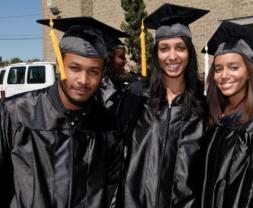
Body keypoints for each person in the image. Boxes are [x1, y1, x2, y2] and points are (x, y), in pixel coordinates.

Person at [0, 17, 124, 208]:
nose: (83, 80)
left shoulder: (109, 128)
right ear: (59, 64)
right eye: (74, 68)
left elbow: (108, 191)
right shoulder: (16, 114)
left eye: (93, 71)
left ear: (103, 73)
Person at [115, 3, 209, 208]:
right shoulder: (137, 98)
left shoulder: (202, 107)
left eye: (180, 48)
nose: (173, 56)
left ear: (190, 53)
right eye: (164, 48)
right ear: (156, 54)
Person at [200, 21, 253, 208]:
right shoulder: (213, 114)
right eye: (218, 69)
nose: (224, 75)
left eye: (234, 67)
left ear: (250, 73)